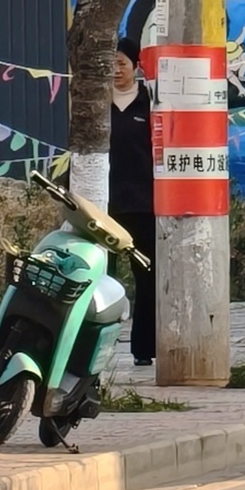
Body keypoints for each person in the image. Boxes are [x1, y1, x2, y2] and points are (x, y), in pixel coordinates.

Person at [105, 32, 158, 367]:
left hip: (143, 203)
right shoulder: (96, 104)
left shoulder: (149, 102)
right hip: (104, 205)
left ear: (136, 65)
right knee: (101, 280)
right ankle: (96, 350)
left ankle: (144, 348)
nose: (115, 69)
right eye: (109, 63)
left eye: (121, 62)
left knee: (147, 278)